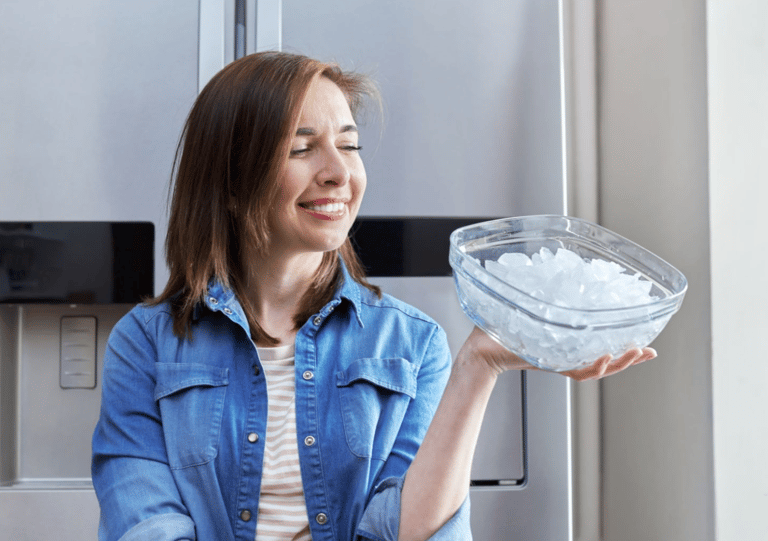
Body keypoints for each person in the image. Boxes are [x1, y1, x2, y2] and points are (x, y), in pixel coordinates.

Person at [91, 51, 655, 541]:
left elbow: (408, 531)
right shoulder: (145, 345)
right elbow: (146, 526)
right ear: (233, 182)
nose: (339, 172)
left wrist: (479, 365)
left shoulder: (411, 343)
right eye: (302, 148)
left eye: (349, 144)